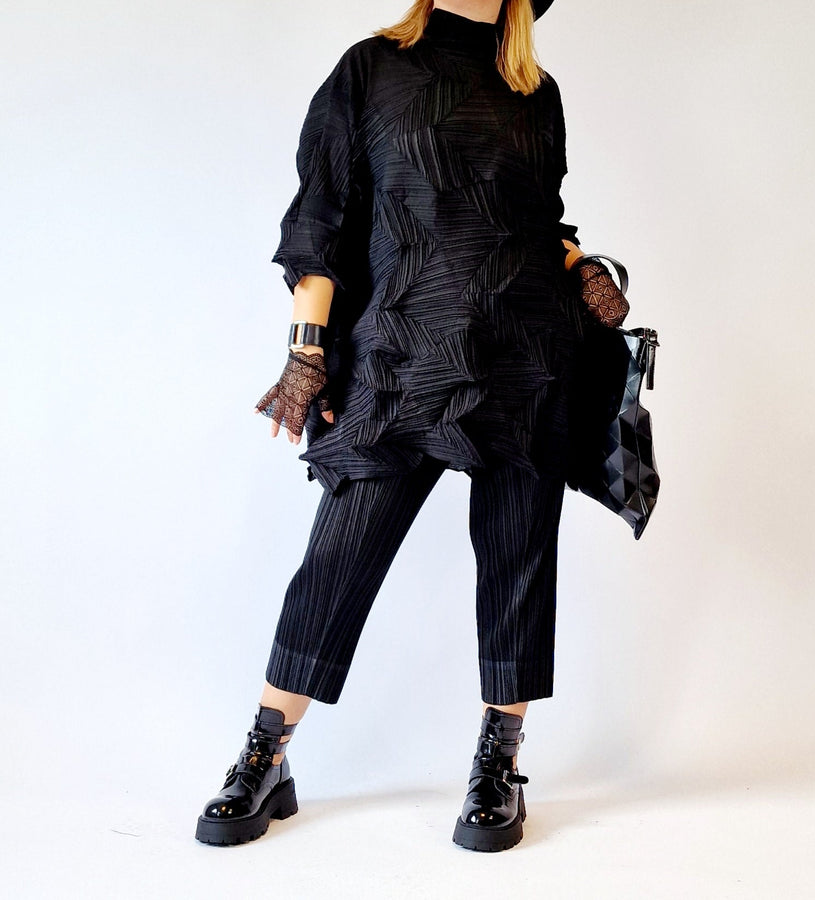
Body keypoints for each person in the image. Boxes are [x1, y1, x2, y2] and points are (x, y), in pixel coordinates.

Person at [195, 0, 629, 853]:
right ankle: (266, 753)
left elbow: (538, 218)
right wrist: (306, 351)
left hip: (525, 353)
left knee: (519, 559)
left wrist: (582, 268)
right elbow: (320, 219)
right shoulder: (372, 69)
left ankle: (498, 762)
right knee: (337, 560)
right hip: (399, 357)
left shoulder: (534, 91)